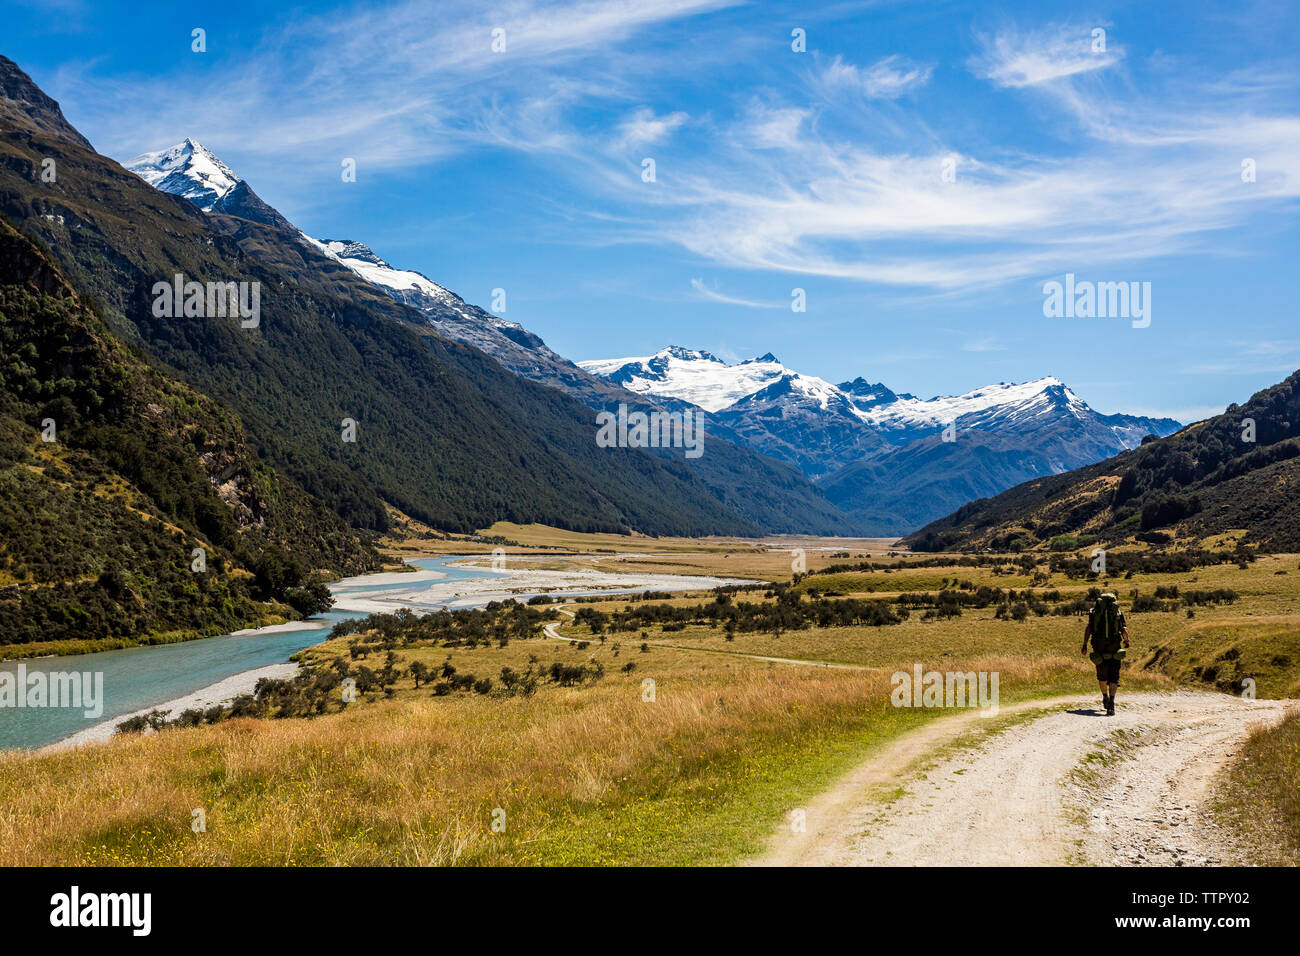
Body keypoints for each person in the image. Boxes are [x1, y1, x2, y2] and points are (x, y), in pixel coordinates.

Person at [1081, 592, 1129, 716]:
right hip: (1114, 647)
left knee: (1101, 675)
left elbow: (1089, 628)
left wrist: (1085, 644)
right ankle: (1112, 702)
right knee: (1114, 676)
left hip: (1099, 646)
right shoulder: (1117, 612)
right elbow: (1124, 629)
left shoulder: (1094, 613)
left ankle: (1105, 697)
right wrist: (1126, 641)